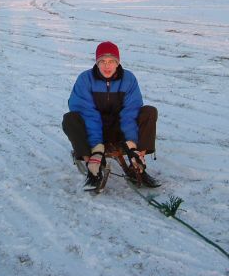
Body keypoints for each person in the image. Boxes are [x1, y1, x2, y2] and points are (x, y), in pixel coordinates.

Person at [62, 41, 159, 190]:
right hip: (93, 130)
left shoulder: (128, 79)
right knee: (70, 119)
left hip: (119, 129)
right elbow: (88, 114)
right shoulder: (85, 79)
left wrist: (131, 145)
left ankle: (138, 160)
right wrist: (97, 147)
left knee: (149, 111)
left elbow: (130, 113)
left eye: (111, 61)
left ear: (118, 63)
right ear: (97, 63)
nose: (107, 66)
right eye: (103, 62)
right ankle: (92, 166)